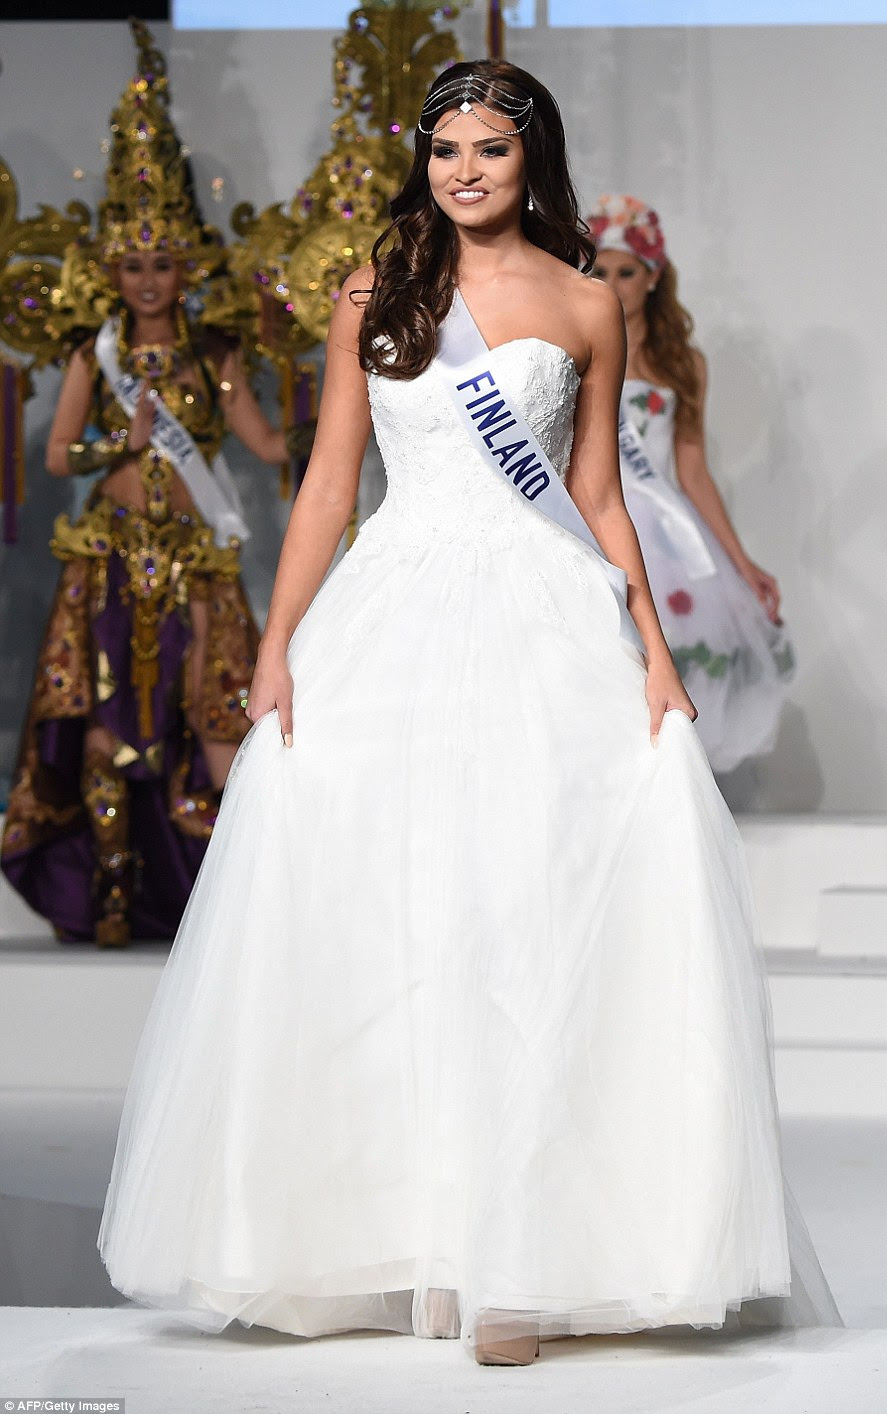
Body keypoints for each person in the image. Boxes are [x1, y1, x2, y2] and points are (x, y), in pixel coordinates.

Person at [98, 60, 837, 1363]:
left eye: (488, 147)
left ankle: (525, 1259)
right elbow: (328, 486)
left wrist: (657, 658)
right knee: (393, 914)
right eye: (444, 148)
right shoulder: (375, 298)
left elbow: (599, 497)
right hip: (392, 615)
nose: (464, 170)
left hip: (544, 618)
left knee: (532, 913)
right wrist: (275, 647)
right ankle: (425, 1242)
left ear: (527, 155)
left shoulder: (585, 303)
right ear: (422, 162)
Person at [0, 25, 306, 945]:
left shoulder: (215, 356)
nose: (145, 280)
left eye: (161, 263)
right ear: (112, 269)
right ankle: (110, 891)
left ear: (187, 265)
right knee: (103, 729)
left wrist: (324, 417)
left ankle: (230, 893)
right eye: (130, 265)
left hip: (199, 564)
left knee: (210, 715)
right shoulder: (97, 360)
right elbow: (55, 458)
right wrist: (117, 447)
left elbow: (259, 441)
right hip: (108, 561)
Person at [588, 196, 794, 773]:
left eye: (626, 271)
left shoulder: (684, 363)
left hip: (663, 527)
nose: (612, 283)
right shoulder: (574, 343)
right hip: (593, 518)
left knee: (673, 655)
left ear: (653, 277)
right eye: (599, 270)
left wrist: (743, 562)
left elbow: (693, 470)